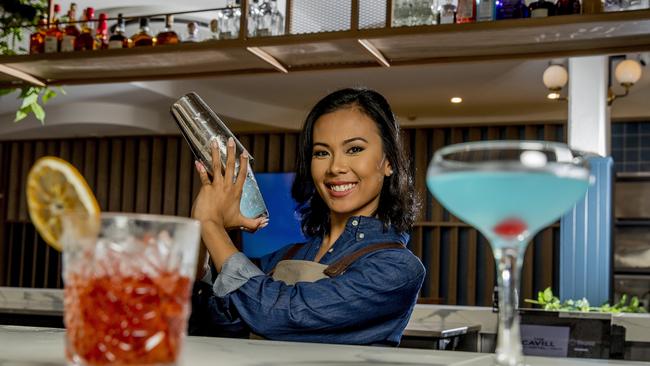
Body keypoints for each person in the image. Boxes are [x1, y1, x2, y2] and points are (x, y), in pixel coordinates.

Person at [190, 87, 425, 346]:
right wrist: (203, 232)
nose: (335, 167)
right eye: (321, 152)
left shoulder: (397, 268)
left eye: (354, 149)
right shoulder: (287, 255)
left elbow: (279, 314)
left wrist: (211, 225)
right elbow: (215, 321)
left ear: (389, 161)